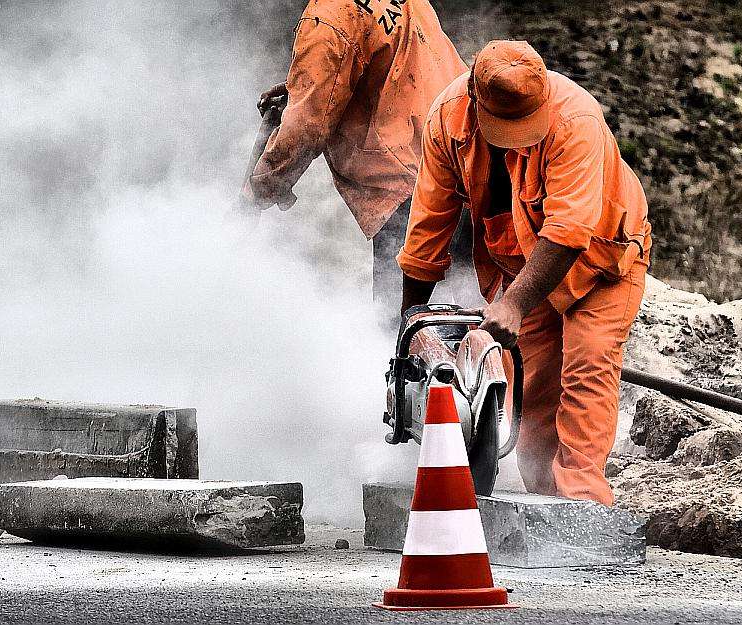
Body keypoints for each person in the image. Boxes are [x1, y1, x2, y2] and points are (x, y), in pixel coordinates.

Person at [398, 40, 652, 506]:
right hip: (522, 266)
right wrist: (410, 321)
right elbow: (429, 226)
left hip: (601, 263)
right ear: (475, 96)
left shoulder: (576, 119)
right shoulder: (447, 119)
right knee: (534, 392)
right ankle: (541, 503)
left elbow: (568, 230)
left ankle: (581, 508)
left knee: (588, 365)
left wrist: (513, 303)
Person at [242, 0, 469, 319]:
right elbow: (386, 56)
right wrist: (303, 85)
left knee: (401, 339)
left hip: (410, 187)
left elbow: (306, 128)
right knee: (466, 327)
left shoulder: (328, 18)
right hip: (469, 159)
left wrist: (257, 194)